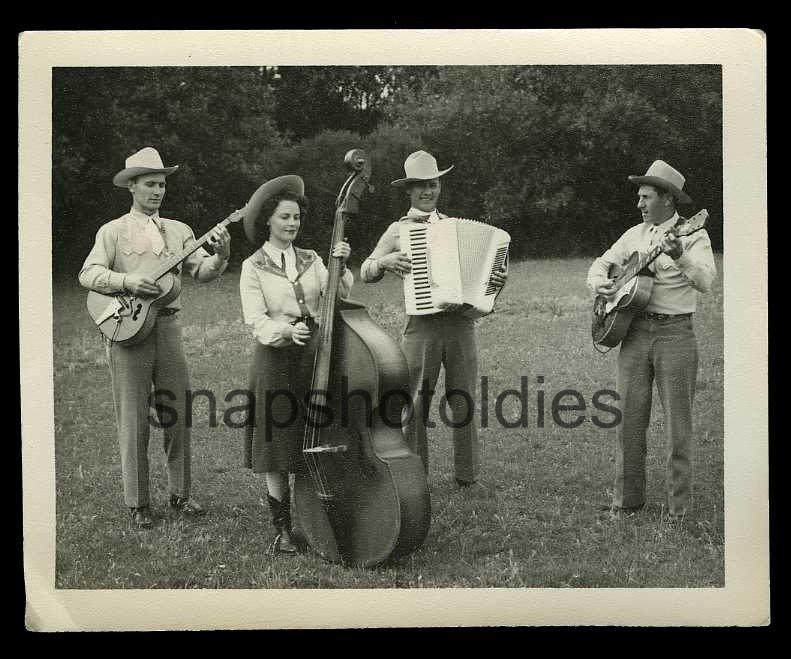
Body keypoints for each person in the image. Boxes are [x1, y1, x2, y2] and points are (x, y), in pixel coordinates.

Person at [79, 146, 231, 529]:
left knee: (177, 412)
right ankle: (139, 503)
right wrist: (127, 280)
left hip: (168, 326)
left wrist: (222, 253)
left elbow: (203, 273)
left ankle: (180, 495)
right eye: (149, 184)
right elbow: (88, 274)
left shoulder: (180, 231)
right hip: (127, 331)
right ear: (132, 186)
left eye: (162, 184)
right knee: (133, 418)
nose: (157, 191)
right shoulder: (112, 231)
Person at [360, 150, 507, 490]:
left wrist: (495, 282)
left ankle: (467, 476)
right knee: (414, 400)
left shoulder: (453, 227)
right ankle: (415, 477)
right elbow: (366, 269)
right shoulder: (399, 230)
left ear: (439, 186)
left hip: (460, 324)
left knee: (464, 398)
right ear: (409, 190)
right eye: (421, 186)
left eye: (433, 184)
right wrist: (385, 262)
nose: (428, 191)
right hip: (421, 326)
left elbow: (486, 275)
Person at [587, 160, 717, 518]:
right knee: (628, 420)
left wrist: (681, 256)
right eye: (640, 197)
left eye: (646, 197)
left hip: (675, 335)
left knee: (679, 426)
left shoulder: (693, 235)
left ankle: (679, 507)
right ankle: (626, 502)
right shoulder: (635, 234)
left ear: (668, 200)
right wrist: (602, 284)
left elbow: (706, 281)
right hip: (633, 333)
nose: (639, 204)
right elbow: (601, 263)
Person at [239, 175, 352, 554]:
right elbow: (255, 320)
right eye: (284, 217)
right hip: (276, 361)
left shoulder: (312, 259)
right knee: (277, 444)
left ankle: (321, 512)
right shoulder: (252, 267)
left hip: (315, 357)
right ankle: (283, 529)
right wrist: (286, 332)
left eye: (296, 219)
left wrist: (341, 264)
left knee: (320, 432)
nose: (291, 224)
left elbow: (338, 293)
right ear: (268, 220)